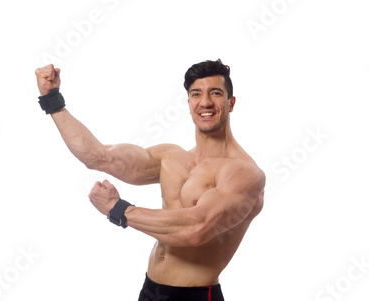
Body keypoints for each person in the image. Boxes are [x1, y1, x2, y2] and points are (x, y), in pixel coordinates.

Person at [35, 59, 264, 301]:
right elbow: (97, 156)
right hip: (149, 290)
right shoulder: (170, 157)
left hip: (194, 296)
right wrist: (52, 101)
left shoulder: (243, 172)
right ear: (189, 104)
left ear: (231, 103)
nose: (205, 102)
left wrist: (119, 209)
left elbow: (196, 229)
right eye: (196, 94)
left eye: (215, 93)